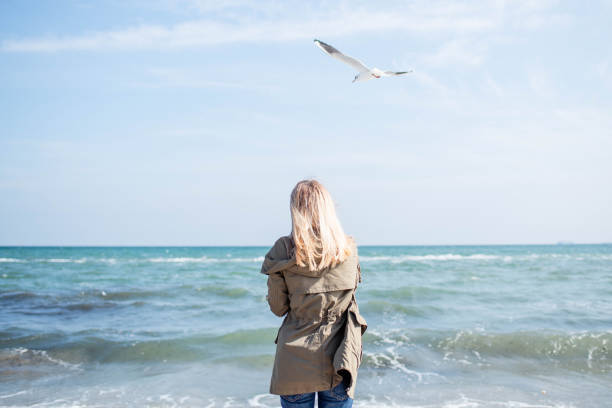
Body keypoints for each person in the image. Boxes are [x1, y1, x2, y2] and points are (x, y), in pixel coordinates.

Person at [260, 179, 367, 408]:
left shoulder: (284, 249)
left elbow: (278, 308)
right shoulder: (348, 248)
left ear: (296, 211)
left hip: (294, 360)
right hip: (339, 359)